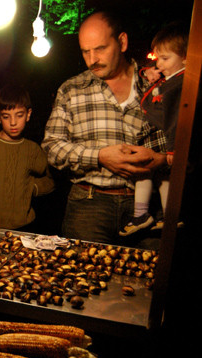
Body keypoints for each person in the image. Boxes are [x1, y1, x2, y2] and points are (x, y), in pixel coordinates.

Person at [41, 10, 168, 245]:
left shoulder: (155, 83)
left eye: (100, 49)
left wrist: (161, 160)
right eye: (85, 51)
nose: (92, 60)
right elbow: (51, 147)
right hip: (89, 204)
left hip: (149, 207)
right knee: (81, 277)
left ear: (122, 42)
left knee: (147, 279)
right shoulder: (71, 89)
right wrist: (99, 157)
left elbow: (186, 147)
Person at [120, 21, 188, 236]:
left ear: (186, 57)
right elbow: (152, 80)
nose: (160, 63)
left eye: (166, 58)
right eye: (159, 57)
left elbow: (176, 119)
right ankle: (155, 216)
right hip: (156, 133)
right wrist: (150, 74)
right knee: (153, 175)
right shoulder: (170, 78)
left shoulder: (181, 83)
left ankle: (160, 216)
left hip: (163, 135)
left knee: (154, 173)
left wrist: (172, 149)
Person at [0, 84, 54, 230]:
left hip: (24, 227)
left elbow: (51, 179)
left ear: (28, 114)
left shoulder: (33, 149)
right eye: (6, 116)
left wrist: (31, 188)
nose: (13, 122)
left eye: (19, 115)